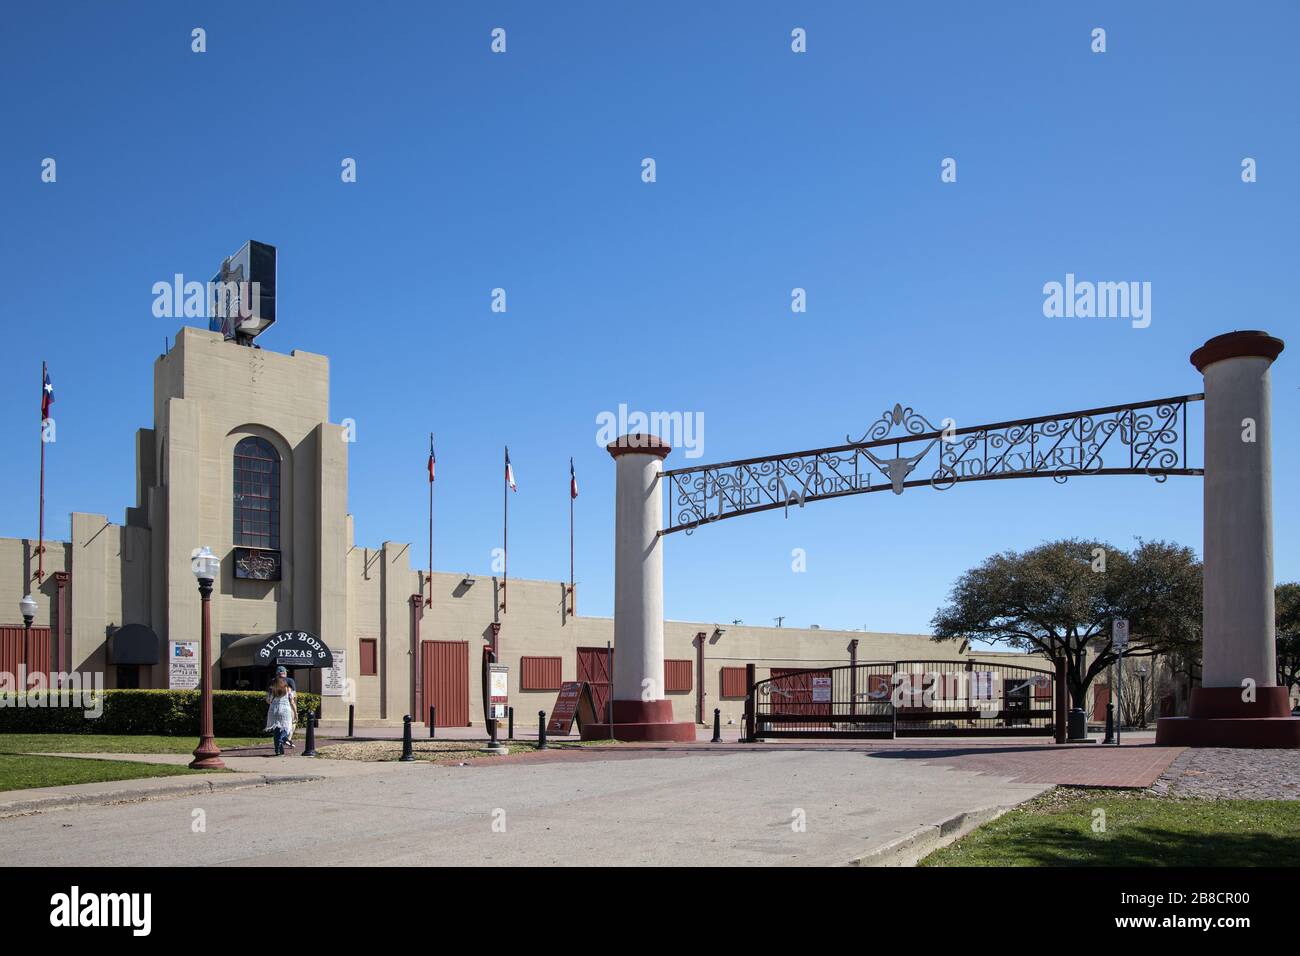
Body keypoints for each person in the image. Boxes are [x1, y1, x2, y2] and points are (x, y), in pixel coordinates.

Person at [264, 672, 297, 756]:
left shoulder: (273, 689)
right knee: (287, 728)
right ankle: (283, 739)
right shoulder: (288, 689)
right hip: (285, 710)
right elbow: (292, 702)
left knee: (276, 730)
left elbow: (268, 701)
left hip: (273, 710)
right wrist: (295, 713)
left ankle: (278, 751)